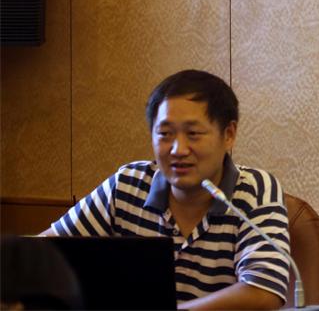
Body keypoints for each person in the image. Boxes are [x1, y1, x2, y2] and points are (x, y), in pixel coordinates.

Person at [42, 70, 290, 310]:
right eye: (165, 134)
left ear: (228, 135)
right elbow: (41, 253)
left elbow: (263, 292)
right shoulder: (127, 185)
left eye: (193, 134)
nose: (178, 150)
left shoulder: (256, 191)